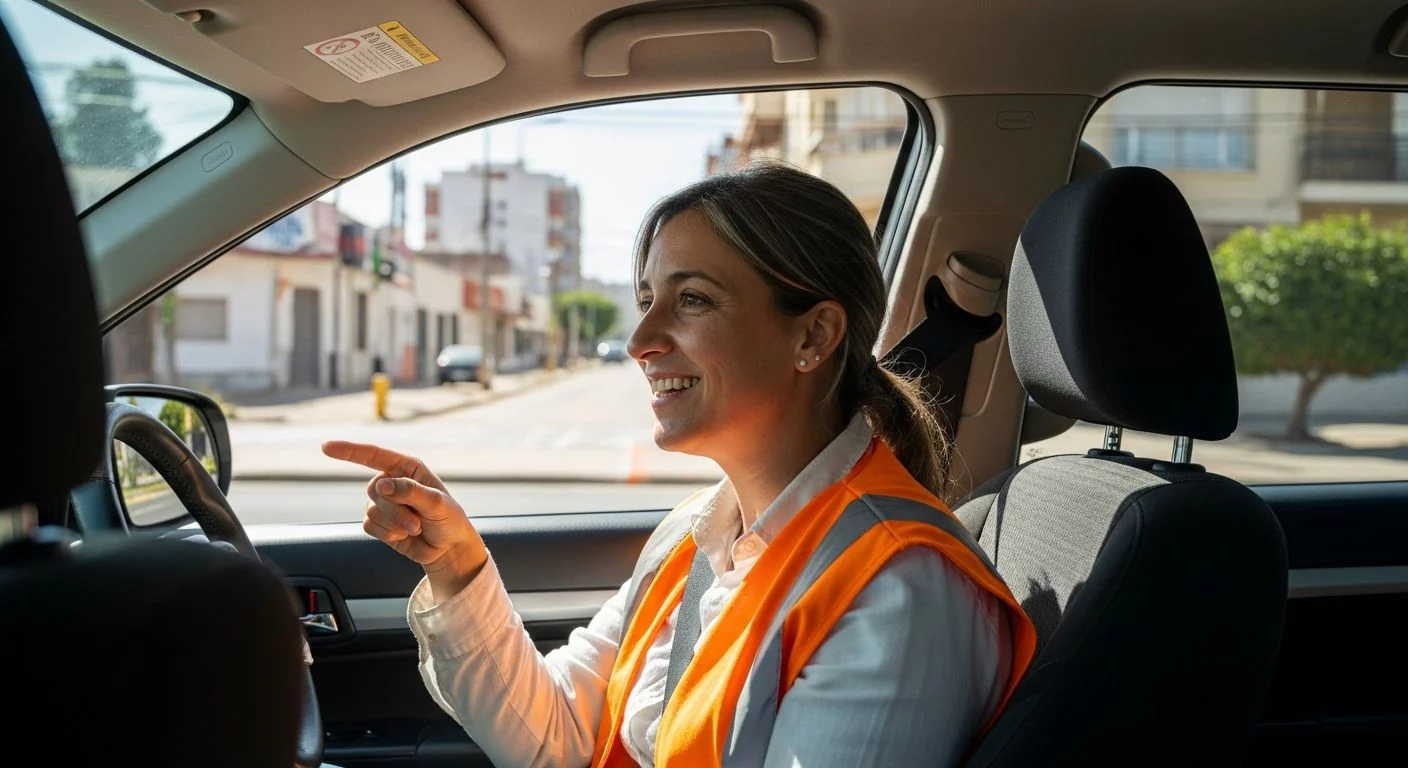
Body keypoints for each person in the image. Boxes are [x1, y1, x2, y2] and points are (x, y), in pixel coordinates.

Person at [322, 161, 1037, 768]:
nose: (640, 339)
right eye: (646, 300)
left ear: (813, 336)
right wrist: (457, 566)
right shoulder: (698, 532)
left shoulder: (898, 590)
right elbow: (558, 734)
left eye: (691, 300)